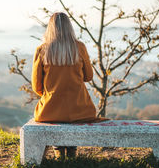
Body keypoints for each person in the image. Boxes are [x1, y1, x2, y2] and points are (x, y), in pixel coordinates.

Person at [31, 12, 105, 159]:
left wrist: (51, 95)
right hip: (81, 110)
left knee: (53, 116)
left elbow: (36, 86)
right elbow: (88, 76)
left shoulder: (42, 49)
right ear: (69, 27)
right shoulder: (79, 47)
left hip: (49, 111)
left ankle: (59, 150)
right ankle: (72, 152)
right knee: (74, 119)